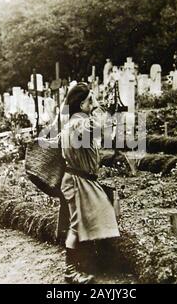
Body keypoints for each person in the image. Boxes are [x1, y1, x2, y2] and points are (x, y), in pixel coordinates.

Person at [57, 82, 120, 284]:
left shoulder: (76, 122)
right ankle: (70, 270)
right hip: (78, 181)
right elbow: (102, 128)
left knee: (98, 215)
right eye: (89, 100)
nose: (92, 103)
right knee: (77, 225)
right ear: (82, 103)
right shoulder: (79, 122)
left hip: (82, 179)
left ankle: (89, 262)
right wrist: (98, 107)